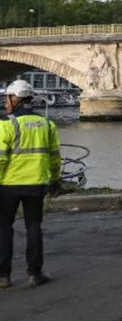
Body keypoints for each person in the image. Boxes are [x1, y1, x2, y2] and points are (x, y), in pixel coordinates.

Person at [0, 80, 61, 289]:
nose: (5, 103)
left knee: (4, 228)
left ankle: (3, 276)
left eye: (6, 98)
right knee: (34, 226)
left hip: (8, 184)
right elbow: (55, 156)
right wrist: (55, 179)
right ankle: (35, 273)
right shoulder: (47, 124)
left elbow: (0, 158)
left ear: (15, 99)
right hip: (37, 183)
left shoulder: (6, 125)